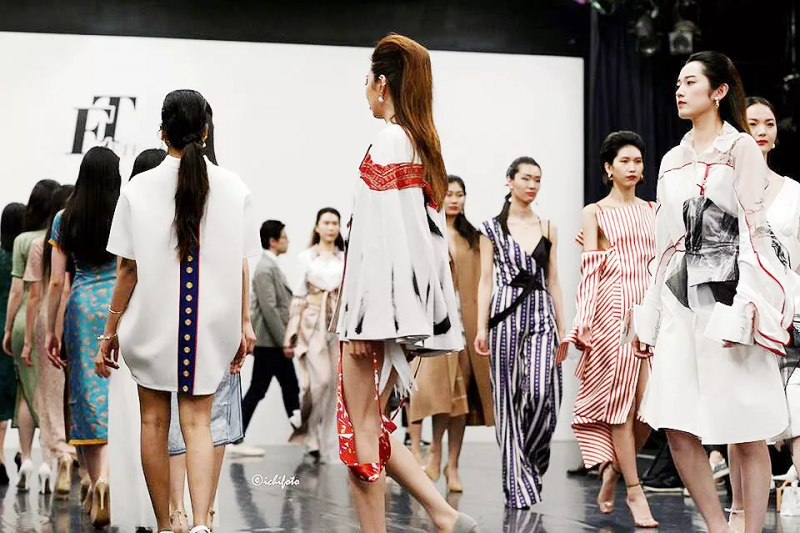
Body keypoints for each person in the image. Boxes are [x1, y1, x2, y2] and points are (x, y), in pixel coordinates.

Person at [631, 52, 793, 533]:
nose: (679, 91)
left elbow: (754, 231)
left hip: (730, 299)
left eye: (690, 82)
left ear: (719, 91)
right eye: (677, 83)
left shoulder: (740, 147)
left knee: (745, 425)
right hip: (680, 301)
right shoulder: (671, 159)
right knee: (676, 422)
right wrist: (649, 315)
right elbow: (663, 242)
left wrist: (748, 306)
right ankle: (718, 528)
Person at [97, 89, 260, 533]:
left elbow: (127, 270)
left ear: (162, 131)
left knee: (153, 421)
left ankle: (168, 524)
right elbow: (240, 263)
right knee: (199, 423)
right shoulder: (236, 188)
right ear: (205, 131)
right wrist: (242, 324)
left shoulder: (137, 190)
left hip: (150, 328)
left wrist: (108, 334)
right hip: (209, 330)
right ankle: (203, 522)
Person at [335, 33, 478, 532]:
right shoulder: (421, 144)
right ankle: (443, 514)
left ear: (381, 83)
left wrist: (363, 322)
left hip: (376, 314)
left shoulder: (392, 140)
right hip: (398, 312)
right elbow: (421, 243)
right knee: (369, 426)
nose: (365, 91)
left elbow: (381, 240)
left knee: (359, 432)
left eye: (366, 81)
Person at [557, 131, 658, 527]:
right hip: (611, 317)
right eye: (624, 161)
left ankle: (614, 470)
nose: (632, 167)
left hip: (649, 317)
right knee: (618, 407)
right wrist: (581, 323)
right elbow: (590, 272)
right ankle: (635, 490)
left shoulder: (654, 209)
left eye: (637, 161)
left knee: (650, 410)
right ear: (608, 168)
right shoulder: (594, 212)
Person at [724, 96, 800, 533]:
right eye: (753, 123)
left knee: (795, 417)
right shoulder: (726, 188)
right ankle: (739, 512)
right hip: (743, 312)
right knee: (743, 419)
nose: (763, 131)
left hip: (788, 313)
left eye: (769, 123)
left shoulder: (793, 191)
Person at [474, 157, 565, 509]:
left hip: (541, 312)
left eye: (537, 179)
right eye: (526, 178)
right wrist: (481, 326)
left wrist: (563, 327)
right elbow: (485, 280)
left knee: (543, 391)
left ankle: (532, 460)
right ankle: (517, 481)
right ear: (509, 180)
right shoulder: (490, 228)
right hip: (505, 313)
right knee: (507, 398)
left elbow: (553, 279)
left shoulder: (548, 227)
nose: (532, 185)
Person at [44, 149, 117, 526]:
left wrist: (52, 330)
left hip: (82, 306)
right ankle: (111, 479)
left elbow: (57, 282)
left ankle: (93, 479)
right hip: (119, 307)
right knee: (118, 395)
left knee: (86, 395)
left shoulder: (64, 218)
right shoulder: (123, 214)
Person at [409, 175, 494, 493]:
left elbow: (484, 282)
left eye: (460, 194)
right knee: (437, 395)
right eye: (449, 194)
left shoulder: (474, 238)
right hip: (434, 327)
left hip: (466, 326)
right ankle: (434, 453)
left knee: (463, 399)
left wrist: (483, 325)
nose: (455, 200)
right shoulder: (426, 232)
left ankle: (452, 464)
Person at [3, 179, 60, 492]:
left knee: (25, 392)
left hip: (25, 317)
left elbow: (17, 291)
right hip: (51, 318)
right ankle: (49, 460)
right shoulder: (57, 237)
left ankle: (25, 457)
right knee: (50, 392)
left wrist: (8, 328)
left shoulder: (23, 241)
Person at [231, 219, 301, 458]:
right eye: (284, 237)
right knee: (260, 389)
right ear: (273, 241)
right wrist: (284, 340)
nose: (288, 241)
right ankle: (236, 437)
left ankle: (304, 433)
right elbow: (270, 308)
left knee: (289, 387)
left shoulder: (270, 266)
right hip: (269, 343)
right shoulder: (265, 269)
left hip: (273, 342)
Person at [23, 184, 76, 496]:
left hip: (47, 316)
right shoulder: (81, 239)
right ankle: (80, 453)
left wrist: (28, 340)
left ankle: (60, 453)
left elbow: (34, 295)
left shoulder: (39, 245)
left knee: (50, 393)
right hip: (78, 314)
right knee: (76, 389)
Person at [285, 208, 344, 464]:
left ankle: (325, 440)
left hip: (338, 327)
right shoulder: (306, 257)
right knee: (319, 382)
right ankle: (310, 434)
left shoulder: (344, 258)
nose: (331, 227)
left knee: (336, 386)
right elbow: (298, 295)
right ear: (317, 227)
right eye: (326, 223)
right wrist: (291, 334)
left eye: (335, 223)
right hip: (312, 326)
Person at [0, 202, 26, 486]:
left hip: (1, 331)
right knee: (23, 391)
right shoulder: (24, 256)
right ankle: (23, 449)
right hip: (20, 329)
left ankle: (0, 456)